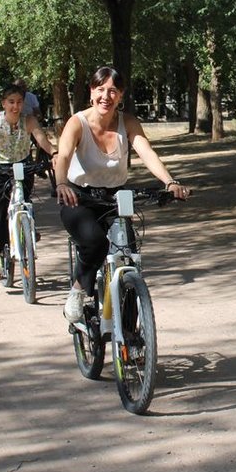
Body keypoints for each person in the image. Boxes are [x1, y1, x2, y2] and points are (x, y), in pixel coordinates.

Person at [53, 66, 191, 322]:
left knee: (128, 257)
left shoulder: (127, 122)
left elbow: (146, 152)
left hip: (115, 198)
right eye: (101, 89)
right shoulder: (78, 123)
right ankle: (78, 290)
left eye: (113, 91)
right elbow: (62, 156)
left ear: (120, 95)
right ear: (92, 92)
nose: (106, 96)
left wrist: (170, 182)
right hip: (78, 197)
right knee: (95, 242)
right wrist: (61, 184)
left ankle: (130, 337)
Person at [0, 84, 58, 279]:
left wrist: (54, 152)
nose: (15, 106)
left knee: (24, 201)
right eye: (11, 102)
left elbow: (41, 139)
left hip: (22, 167)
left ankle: (28, 227)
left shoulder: (28, 120)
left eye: (19, 102)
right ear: (3, 103)